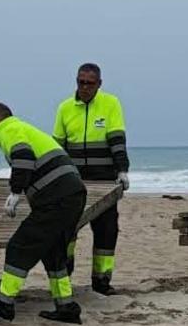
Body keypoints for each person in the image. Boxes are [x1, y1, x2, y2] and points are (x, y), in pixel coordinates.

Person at [0, 103, 85, 325]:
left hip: (57, 198)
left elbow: (23, 158)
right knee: (54, 252)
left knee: (19, 246)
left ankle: (3, 305)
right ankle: (66, 307)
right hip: (74, 194)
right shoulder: (24, 128)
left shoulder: (9, 129)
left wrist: (15, 192)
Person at [52, 63, 130, 294]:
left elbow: (117, 139)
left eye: (90, 83)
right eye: (80, 82)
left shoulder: (111, 104)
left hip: (104, 180)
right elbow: (57, 147)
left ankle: (102, 281)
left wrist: (122, 169)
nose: (84, 87)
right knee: (67, 229)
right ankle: (65, 274)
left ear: (99, 84)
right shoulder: (65, 108)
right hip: (73, 181)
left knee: (107, 229)